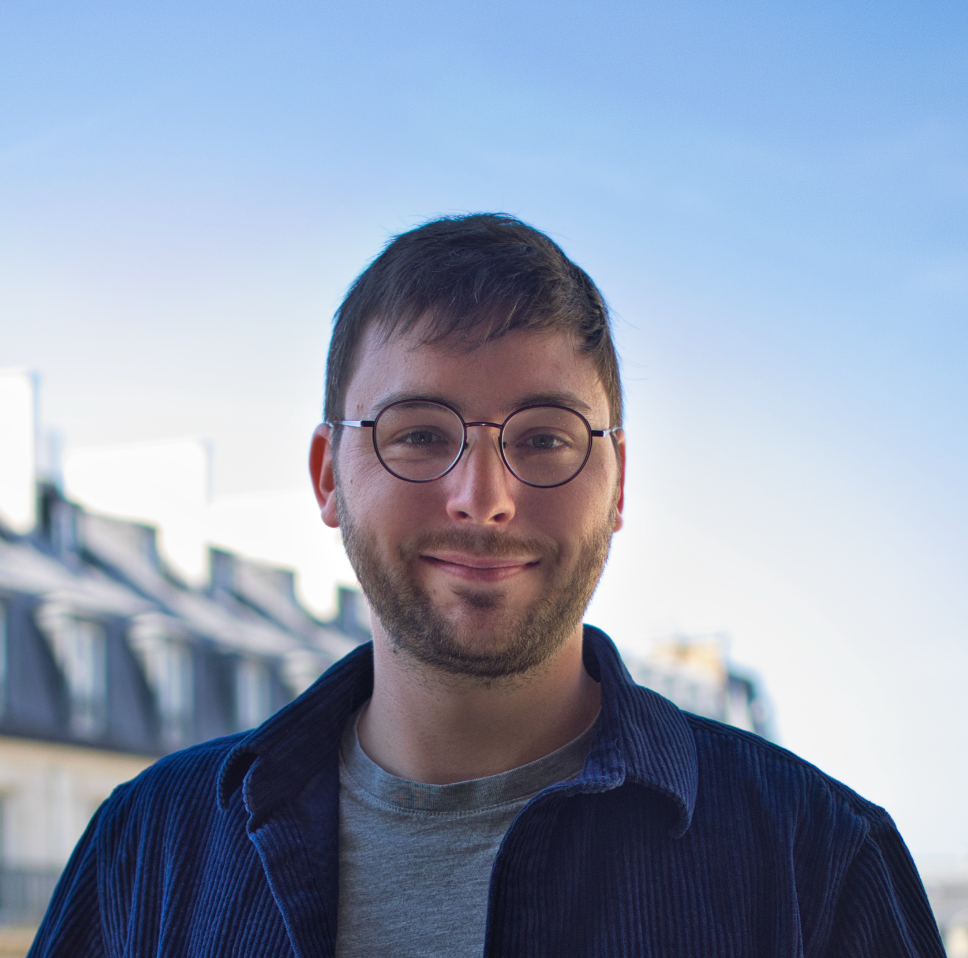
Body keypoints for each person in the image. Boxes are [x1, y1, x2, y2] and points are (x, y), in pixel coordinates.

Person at [30, 214, 943, 957]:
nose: (485, 499)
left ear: (618, 484)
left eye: (545, 437)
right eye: (420, 433)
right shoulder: (146, 849)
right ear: (327, 477)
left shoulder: (817, 864)